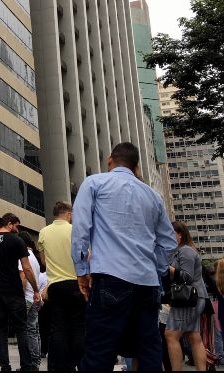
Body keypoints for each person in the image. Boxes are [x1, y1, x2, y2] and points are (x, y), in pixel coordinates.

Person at [71, 142, 177, 371]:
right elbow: (169, 242)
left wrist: (81, 272)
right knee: (149, 352)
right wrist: (157, 267)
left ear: (110, 160)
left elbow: (81, 229)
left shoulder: (94, 183)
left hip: (111, 277)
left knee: (99, 353)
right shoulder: (153, 195)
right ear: (136, 166)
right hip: (147, 283)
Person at [0, 213, 40, 371]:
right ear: (9, 223)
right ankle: (26, 366)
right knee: (21, 328)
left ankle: (5, 367)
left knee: (0, 330)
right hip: (14, 291)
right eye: (16, 226)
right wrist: (35, 289)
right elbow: (27, 268)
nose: (17, 229)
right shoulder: (17, 241)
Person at [37, 201, 84, 371]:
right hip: (76, 283)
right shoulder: (75, 231)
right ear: (69, 214)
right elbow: (86, 256)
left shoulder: (43, 232)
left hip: (55, 285)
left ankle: (59, 366)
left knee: (58, 327)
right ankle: (79, 362)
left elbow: (43, 261)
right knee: (78, 326)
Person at [164, 221, 207, 371]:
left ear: (180, 235)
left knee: (171, 335)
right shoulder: (181, 251)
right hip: (194, 298)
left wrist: (166, 268)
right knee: (193, 336)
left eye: (171, 233)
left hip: (188, 298)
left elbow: (187, 277)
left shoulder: (186, 251)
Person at [18, 231, 43, 370]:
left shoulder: (23, 257)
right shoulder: (34, 257)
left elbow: (23, 277)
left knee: (27, 331)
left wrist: (19, 296)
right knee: (34, 330)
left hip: (26, 298)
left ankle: (31, 361)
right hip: (34, 298)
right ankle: (36, 360)